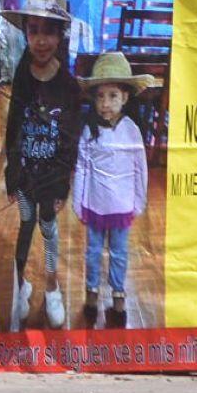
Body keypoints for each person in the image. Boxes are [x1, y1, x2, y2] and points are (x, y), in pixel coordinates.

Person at [0, 0, 79, 332]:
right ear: (26, 34)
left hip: (52, 173)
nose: (41, 40)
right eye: (34, 31)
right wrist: (12, 169)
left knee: (49, 227)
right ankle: (21, 283)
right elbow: (14, 125)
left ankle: (51, 284)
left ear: (60, 35)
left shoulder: (68, 84)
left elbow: (70, 138)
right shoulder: (21, 75)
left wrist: (62, 179)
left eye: (49, 31)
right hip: (26, 170)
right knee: (25, 224)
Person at [73, 53, 156, 330]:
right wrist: (79, 200)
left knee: (119, 253)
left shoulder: (131, 131)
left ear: (125, 98)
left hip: (121, 205)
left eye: (112, 96)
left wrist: (138, 200)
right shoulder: (89, 131)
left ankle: (118, 299)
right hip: (95, 204)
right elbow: (83, 166)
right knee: (93, 251)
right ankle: (91, 295)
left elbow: (139, 168)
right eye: (100, 97)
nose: (105, 103)